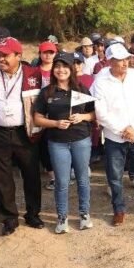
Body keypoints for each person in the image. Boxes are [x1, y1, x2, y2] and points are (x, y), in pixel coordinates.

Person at [0, 37, 44, 236]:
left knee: (31, 175)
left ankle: (33, 214)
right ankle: (8, 218)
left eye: (5, 55)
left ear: (18, 55)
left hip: (24, 133)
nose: (0, 59)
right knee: (1, 178)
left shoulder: (33, 73)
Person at [91, 43, 134, 225]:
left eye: (126, 59)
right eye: (119, 60)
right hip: (114, 136)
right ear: (109, 61)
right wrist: (122, 129)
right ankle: (118, 209)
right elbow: (101, 112)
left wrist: (133, 128)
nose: (124, 63)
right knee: (114, 175)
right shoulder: (100, 81)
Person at [34, 52, 96, 234]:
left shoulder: (82, 89)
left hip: (81, 140)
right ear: (53, 70)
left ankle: (84, 214)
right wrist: (55, 123)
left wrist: (82, 116)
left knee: (83, 179)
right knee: (62, 182)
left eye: (65, 66)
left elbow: (94, 114)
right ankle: (62, 217)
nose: (61, 70)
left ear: (71, 69)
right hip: (57, 143)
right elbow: (37, 119)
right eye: (57, 66)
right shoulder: (47, 92)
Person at [36, 41, 57, 190]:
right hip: (39, 111)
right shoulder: (33, 72)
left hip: (57, 111)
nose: (48, 55)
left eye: (51, 52)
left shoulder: (60, 70)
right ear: (40, 54)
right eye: (45, 52)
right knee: (43, 143)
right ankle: (52, 176)